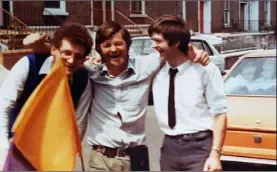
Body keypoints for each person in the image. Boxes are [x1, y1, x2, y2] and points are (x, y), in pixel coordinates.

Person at [20, 20, 210, 171]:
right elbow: (63, 56)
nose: (113, 49)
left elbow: (172, 50)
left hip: (136, 156)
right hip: (100, 159)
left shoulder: (147, 66)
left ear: (128, 45)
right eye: (107, 45)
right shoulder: (90, 72)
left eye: (119, 43)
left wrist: (193, 50)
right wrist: (39, 43)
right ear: (99, 50)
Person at [0, 22, 94, 170]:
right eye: (67, 53)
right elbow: (2, 107)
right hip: (17, 149)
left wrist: (63, 156)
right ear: (53, 49)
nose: (71, 60)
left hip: (52, 155)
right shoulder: (28, 65)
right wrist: (3, 150)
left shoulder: (83, 81)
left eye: (78, 56)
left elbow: (78, 126)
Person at [148, 15, 227, 171]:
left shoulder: (206, 70)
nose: (153, 46)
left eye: (158, 41)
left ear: (176, 43)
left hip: (199, 148)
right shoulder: (155, 70)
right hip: (169, 147)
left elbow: (219, 114)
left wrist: (215, 155)